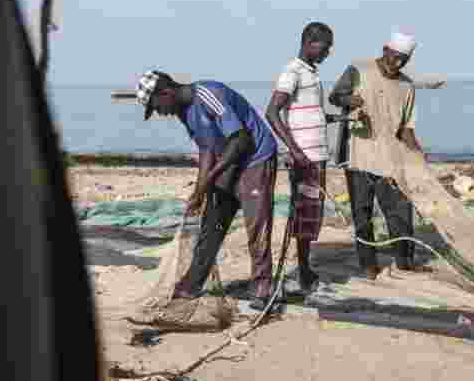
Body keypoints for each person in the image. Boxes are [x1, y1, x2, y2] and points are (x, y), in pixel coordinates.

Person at [137, 70, 279, 310]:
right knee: (211, 222)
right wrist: (200, 191)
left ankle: (262, 286)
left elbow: (242, 140)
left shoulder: (208, 94)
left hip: (255, 158)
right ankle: (193, 283)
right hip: (229, 159)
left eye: (156, 106)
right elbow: (206, 150)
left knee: (256, 225)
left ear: (166, 92)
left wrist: (209, 179)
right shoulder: (183, 112)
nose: (159, 113)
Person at [328, 32, 432, 280]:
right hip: (358, 158)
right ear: (385, 50)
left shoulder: (407, 85)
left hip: (392, 162)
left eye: (403, 60)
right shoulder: (358, 69)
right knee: (362, 216)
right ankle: (368, 265)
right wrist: (349, 100)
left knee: (400, 213)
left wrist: (418, 155)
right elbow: (335, 96)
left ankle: (405, 262)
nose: (397, 64)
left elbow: (406, 128)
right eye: (395, 57)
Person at [265, 22, 334, 293]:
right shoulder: (292, 71)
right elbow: (272, 112)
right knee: (304, 214)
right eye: (325, 48)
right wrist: (295, 151)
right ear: (309, 42)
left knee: (312, 213)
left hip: (316, 156)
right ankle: (303, 272)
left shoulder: (311, 73)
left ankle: (305, 269)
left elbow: (308, 113)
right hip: (304, 159)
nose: (328, 53)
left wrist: (337, 118)